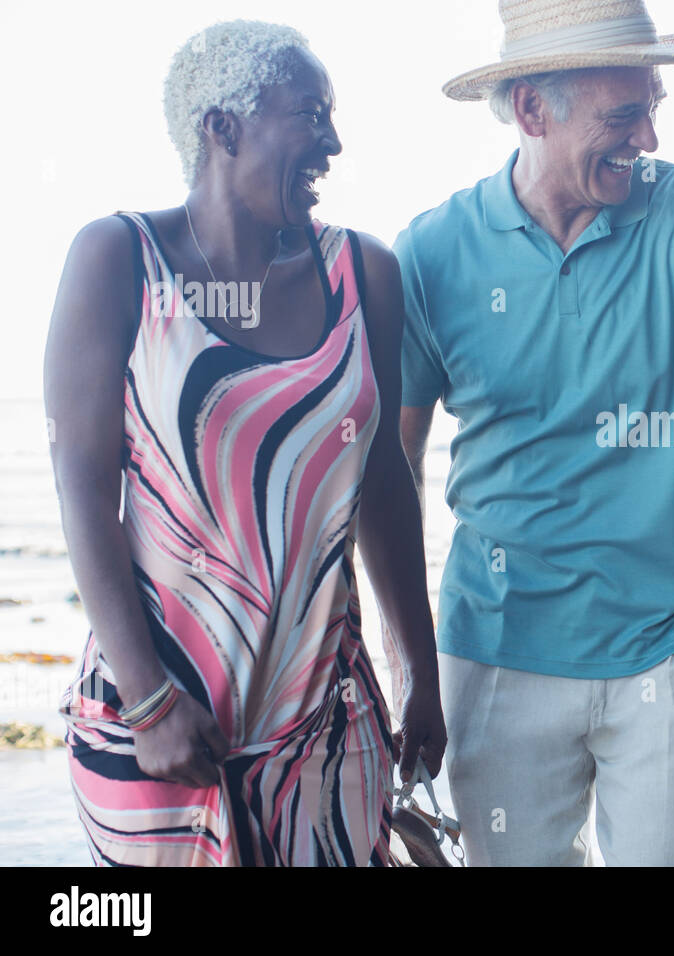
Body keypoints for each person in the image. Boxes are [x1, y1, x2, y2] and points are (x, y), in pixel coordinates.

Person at [394, 0, 674, 866]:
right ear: (531, 111)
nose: (650, 138)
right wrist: (406, 670)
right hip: (499, 648)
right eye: (623, 115)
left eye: (654, 105)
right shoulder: (431, 254)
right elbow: (391, 474)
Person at [44, 20, 445, 866]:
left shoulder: (362, 272)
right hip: (158, 720)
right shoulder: (119, 259)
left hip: (324, 720)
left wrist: (422, 671)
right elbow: (82, 492)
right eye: (311, 114)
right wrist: (149, 702)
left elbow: (383, 486)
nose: (334, 140)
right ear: (221, 127)